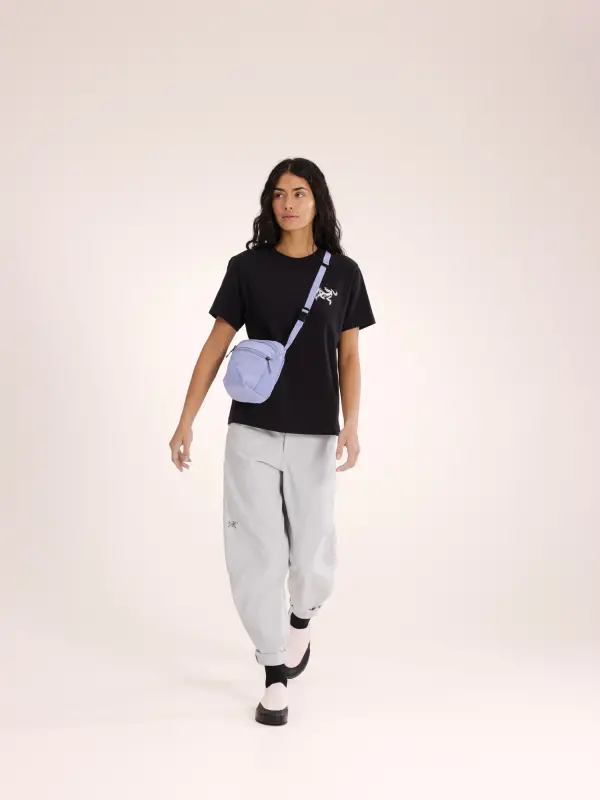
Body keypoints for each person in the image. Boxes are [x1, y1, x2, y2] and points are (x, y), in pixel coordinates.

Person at [169, 157, 376, 726]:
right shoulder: (247, 268)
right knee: (257, 552)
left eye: (300, 193)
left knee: (311, 549)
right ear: (270, 202)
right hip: (252, 430)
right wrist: (186, 420)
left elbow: (350, 355)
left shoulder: (344, 273)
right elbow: (215, 346)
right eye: (279, 194)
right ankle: (273, 672)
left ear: (318, 201)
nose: (288, 203)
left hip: (316, 433)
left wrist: (352, 422)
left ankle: (301, 618)